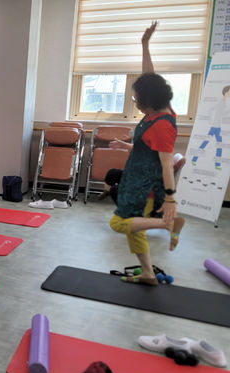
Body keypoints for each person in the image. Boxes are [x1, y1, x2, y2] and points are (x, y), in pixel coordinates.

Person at [108, 22, 185, 285]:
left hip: (147, 188)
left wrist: (171, 201)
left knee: (119, 224)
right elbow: (150, 79)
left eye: (136, 97)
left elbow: (165, 165)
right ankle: (149, 273)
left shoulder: (163, 125)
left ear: (148, 100)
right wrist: (144, 45)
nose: (136, 101)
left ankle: (167, 225)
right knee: (134, 231)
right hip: (135, 181)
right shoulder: (158, 112)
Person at [190, 85, 228, 170]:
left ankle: (217, 164)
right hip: (215, 127)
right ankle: (194, 159)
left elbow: (221, 114)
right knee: (206, 143)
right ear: (226, 92)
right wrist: (210, 120)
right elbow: (210, 109)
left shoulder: (224, 102)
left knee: (218, 145)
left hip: (218, 127)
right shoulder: (221, 102)